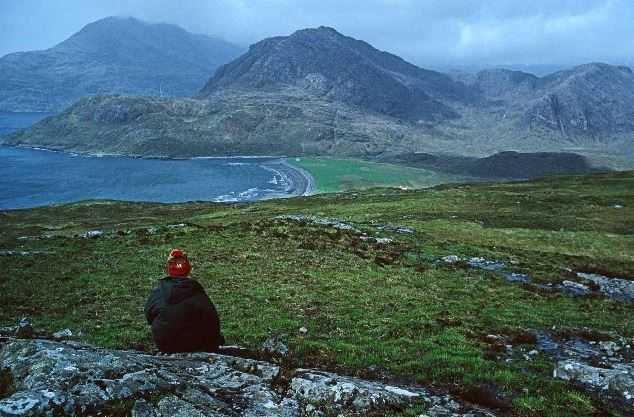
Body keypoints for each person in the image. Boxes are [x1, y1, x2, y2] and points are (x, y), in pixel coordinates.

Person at [144, 249, 225, 353]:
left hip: (165, 346)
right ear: (188, 269)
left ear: (169, 269)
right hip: (195, 347)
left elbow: (149, 316)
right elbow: (212, 322)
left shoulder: (158, 292)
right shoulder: (197, 292)